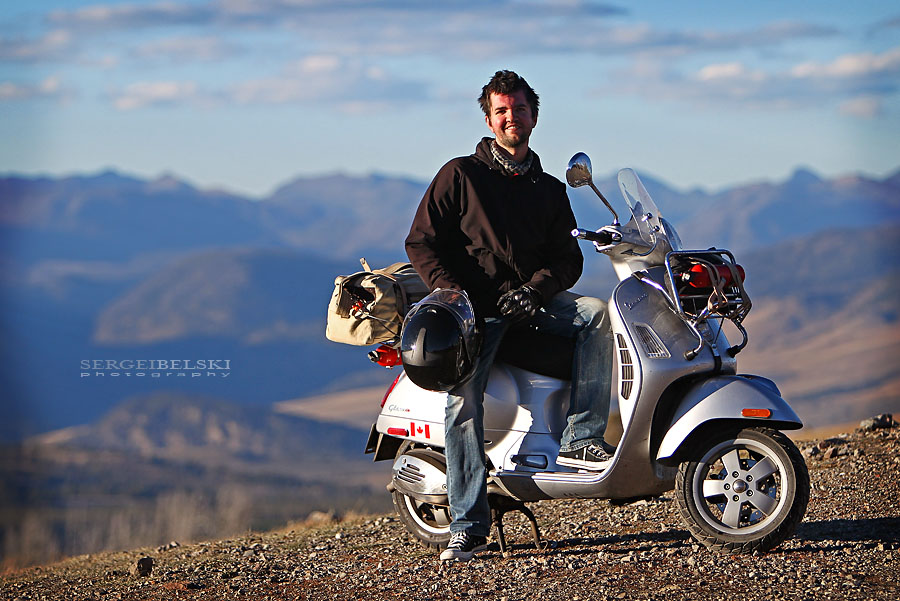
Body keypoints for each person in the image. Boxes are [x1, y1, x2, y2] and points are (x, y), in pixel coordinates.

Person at [405, 70, 613, 562]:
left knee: (598, 315)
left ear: (533, 117)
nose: (510, 117)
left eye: (519, 109)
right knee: (462, 406)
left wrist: (536, 291)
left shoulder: (549, 188)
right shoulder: (460, 175)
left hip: (534, 304)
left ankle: (582, 439)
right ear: (488, 118)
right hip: (474, 312)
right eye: (501, 110)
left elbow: (569, 259)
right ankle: (468, 525)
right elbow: (421, 243)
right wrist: (454, 296)